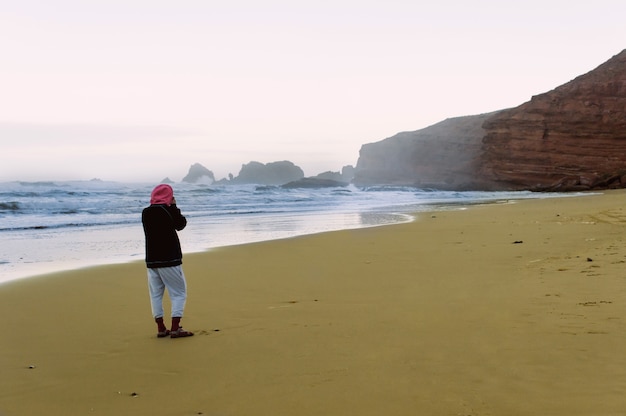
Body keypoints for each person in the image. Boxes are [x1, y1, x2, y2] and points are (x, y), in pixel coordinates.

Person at [142, 184, 193, 338]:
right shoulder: (168, 210)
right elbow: (181, 224)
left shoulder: (146, 212)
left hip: (152, 260)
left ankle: (161, 327)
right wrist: (174, 206)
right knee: (179, 293)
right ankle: (176, 327)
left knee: (155, 295)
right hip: (169, 259)